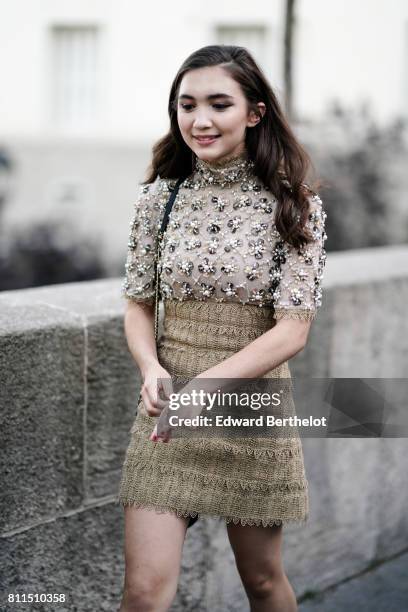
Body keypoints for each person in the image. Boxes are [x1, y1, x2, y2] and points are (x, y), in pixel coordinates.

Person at [117, 44, 327, 612]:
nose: (199, 120)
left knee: (262, 581)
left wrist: (206, 390)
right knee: (143, 593)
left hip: (250, 414)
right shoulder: (158, 200)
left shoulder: (295, 205)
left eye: (218, 104)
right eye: (187, 105)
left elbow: (293, 331)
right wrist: (151, 367)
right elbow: (137, 304)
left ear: (254, 112)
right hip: (166, 417)